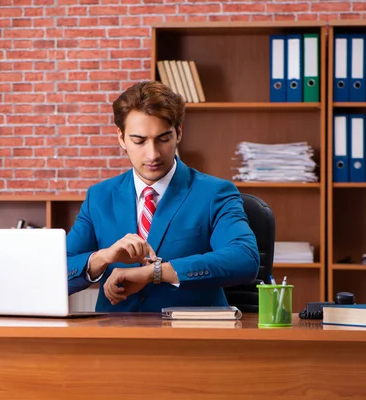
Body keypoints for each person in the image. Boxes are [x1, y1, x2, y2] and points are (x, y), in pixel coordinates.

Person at [66, 81, 259, 312]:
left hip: (190, 337)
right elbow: (56, 273)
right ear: (121, 138)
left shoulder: (215, 193)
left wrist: (155, 273)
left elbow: (244, 259)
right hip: (115, 336)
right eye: (139, 141)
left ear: (178, 132)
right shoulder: (99, 196)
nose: (153, 154)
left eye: (163, 139)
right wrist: (103, 257)